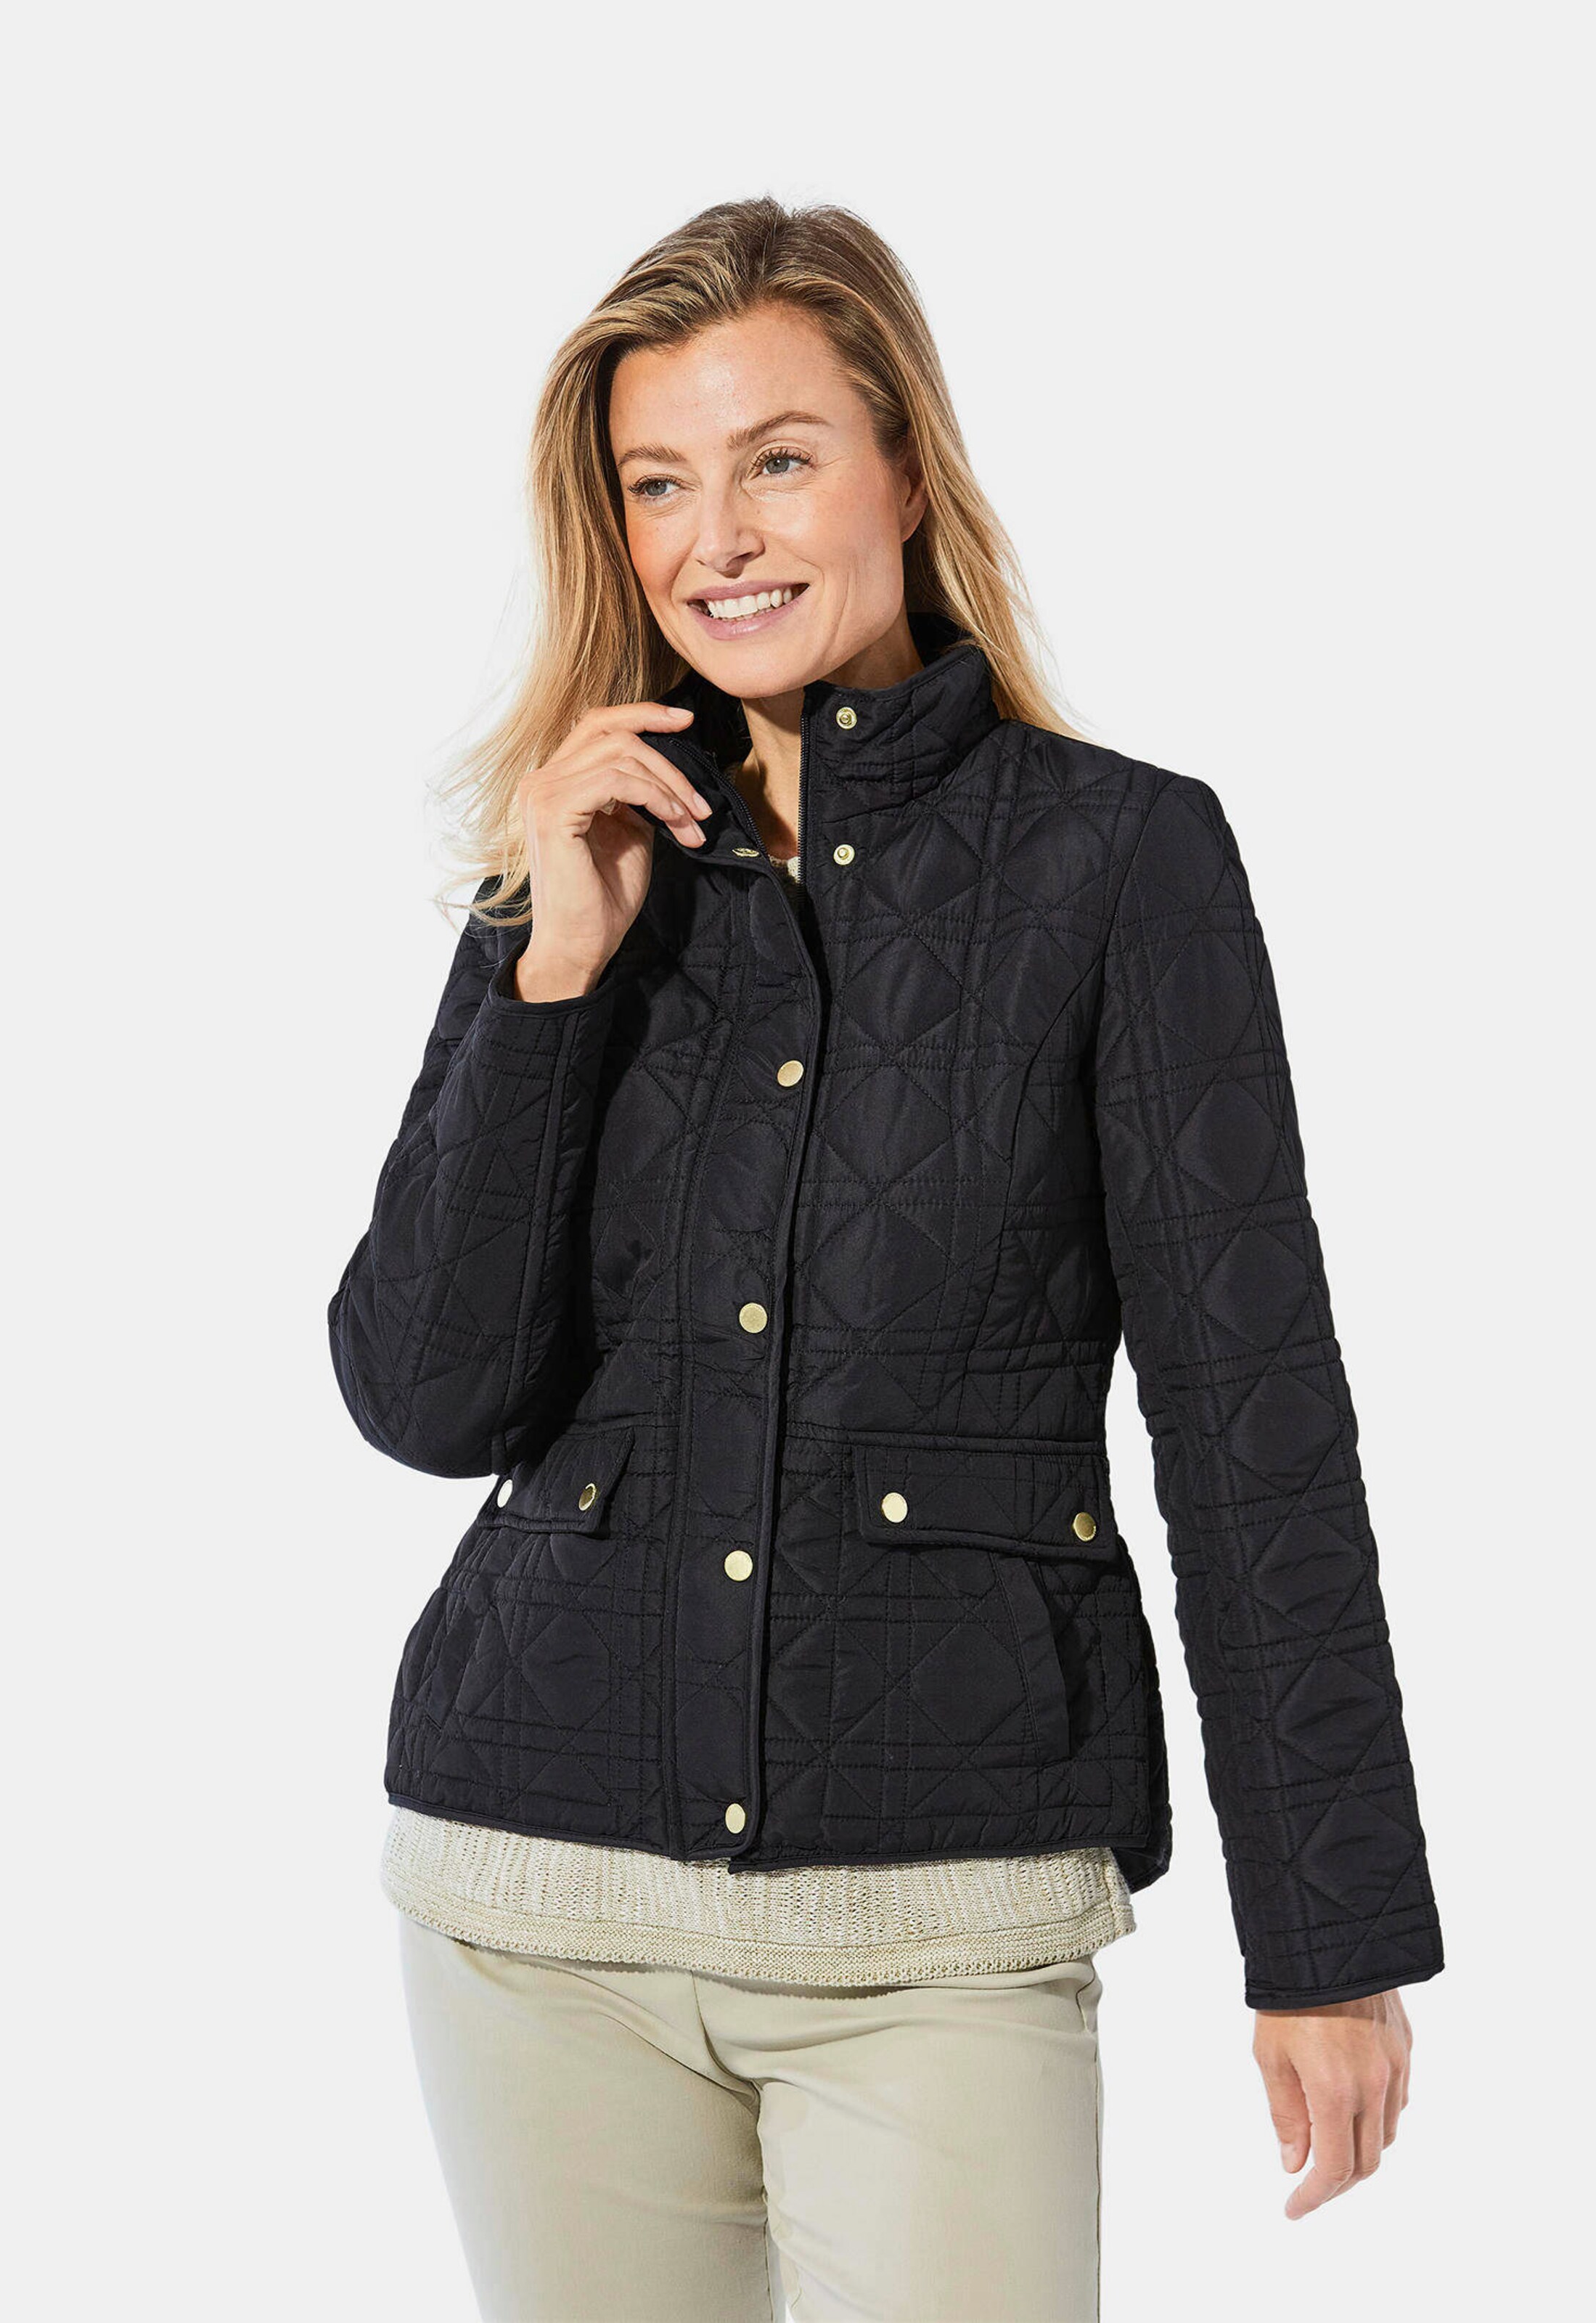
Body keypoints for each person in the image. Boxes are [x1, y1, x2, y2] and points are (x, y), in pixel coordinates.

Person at [328, 196, 1443, 2323]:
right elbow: (425, 1398)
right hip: (530, 1902)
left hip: (942, 1920)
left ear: (904, 470)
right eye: (658, 482)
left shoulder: (1117, 858)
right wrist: (550, 975)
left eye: (777, 458)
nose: (717, 538)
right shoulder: (573, 865)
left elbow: (1254, 1419)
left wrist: (1328, 1938)